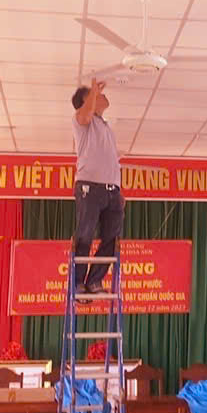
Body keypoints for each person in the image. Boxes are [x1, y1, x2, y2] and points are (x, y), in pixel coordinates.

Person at [71, 79, 124, 296]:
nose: (103, 96)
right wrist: (93, 91)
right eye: (96, 95)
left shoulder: (105, 126)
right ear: (87, 101)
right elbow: (84, 115)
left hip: (112, 190)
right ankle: (77, 282)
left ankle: (94, 281)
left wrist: (119, 189)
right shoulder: (82, 120)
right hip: (90, 188)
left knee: (111, 237)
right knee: (85, 234)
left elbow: (111, 162)